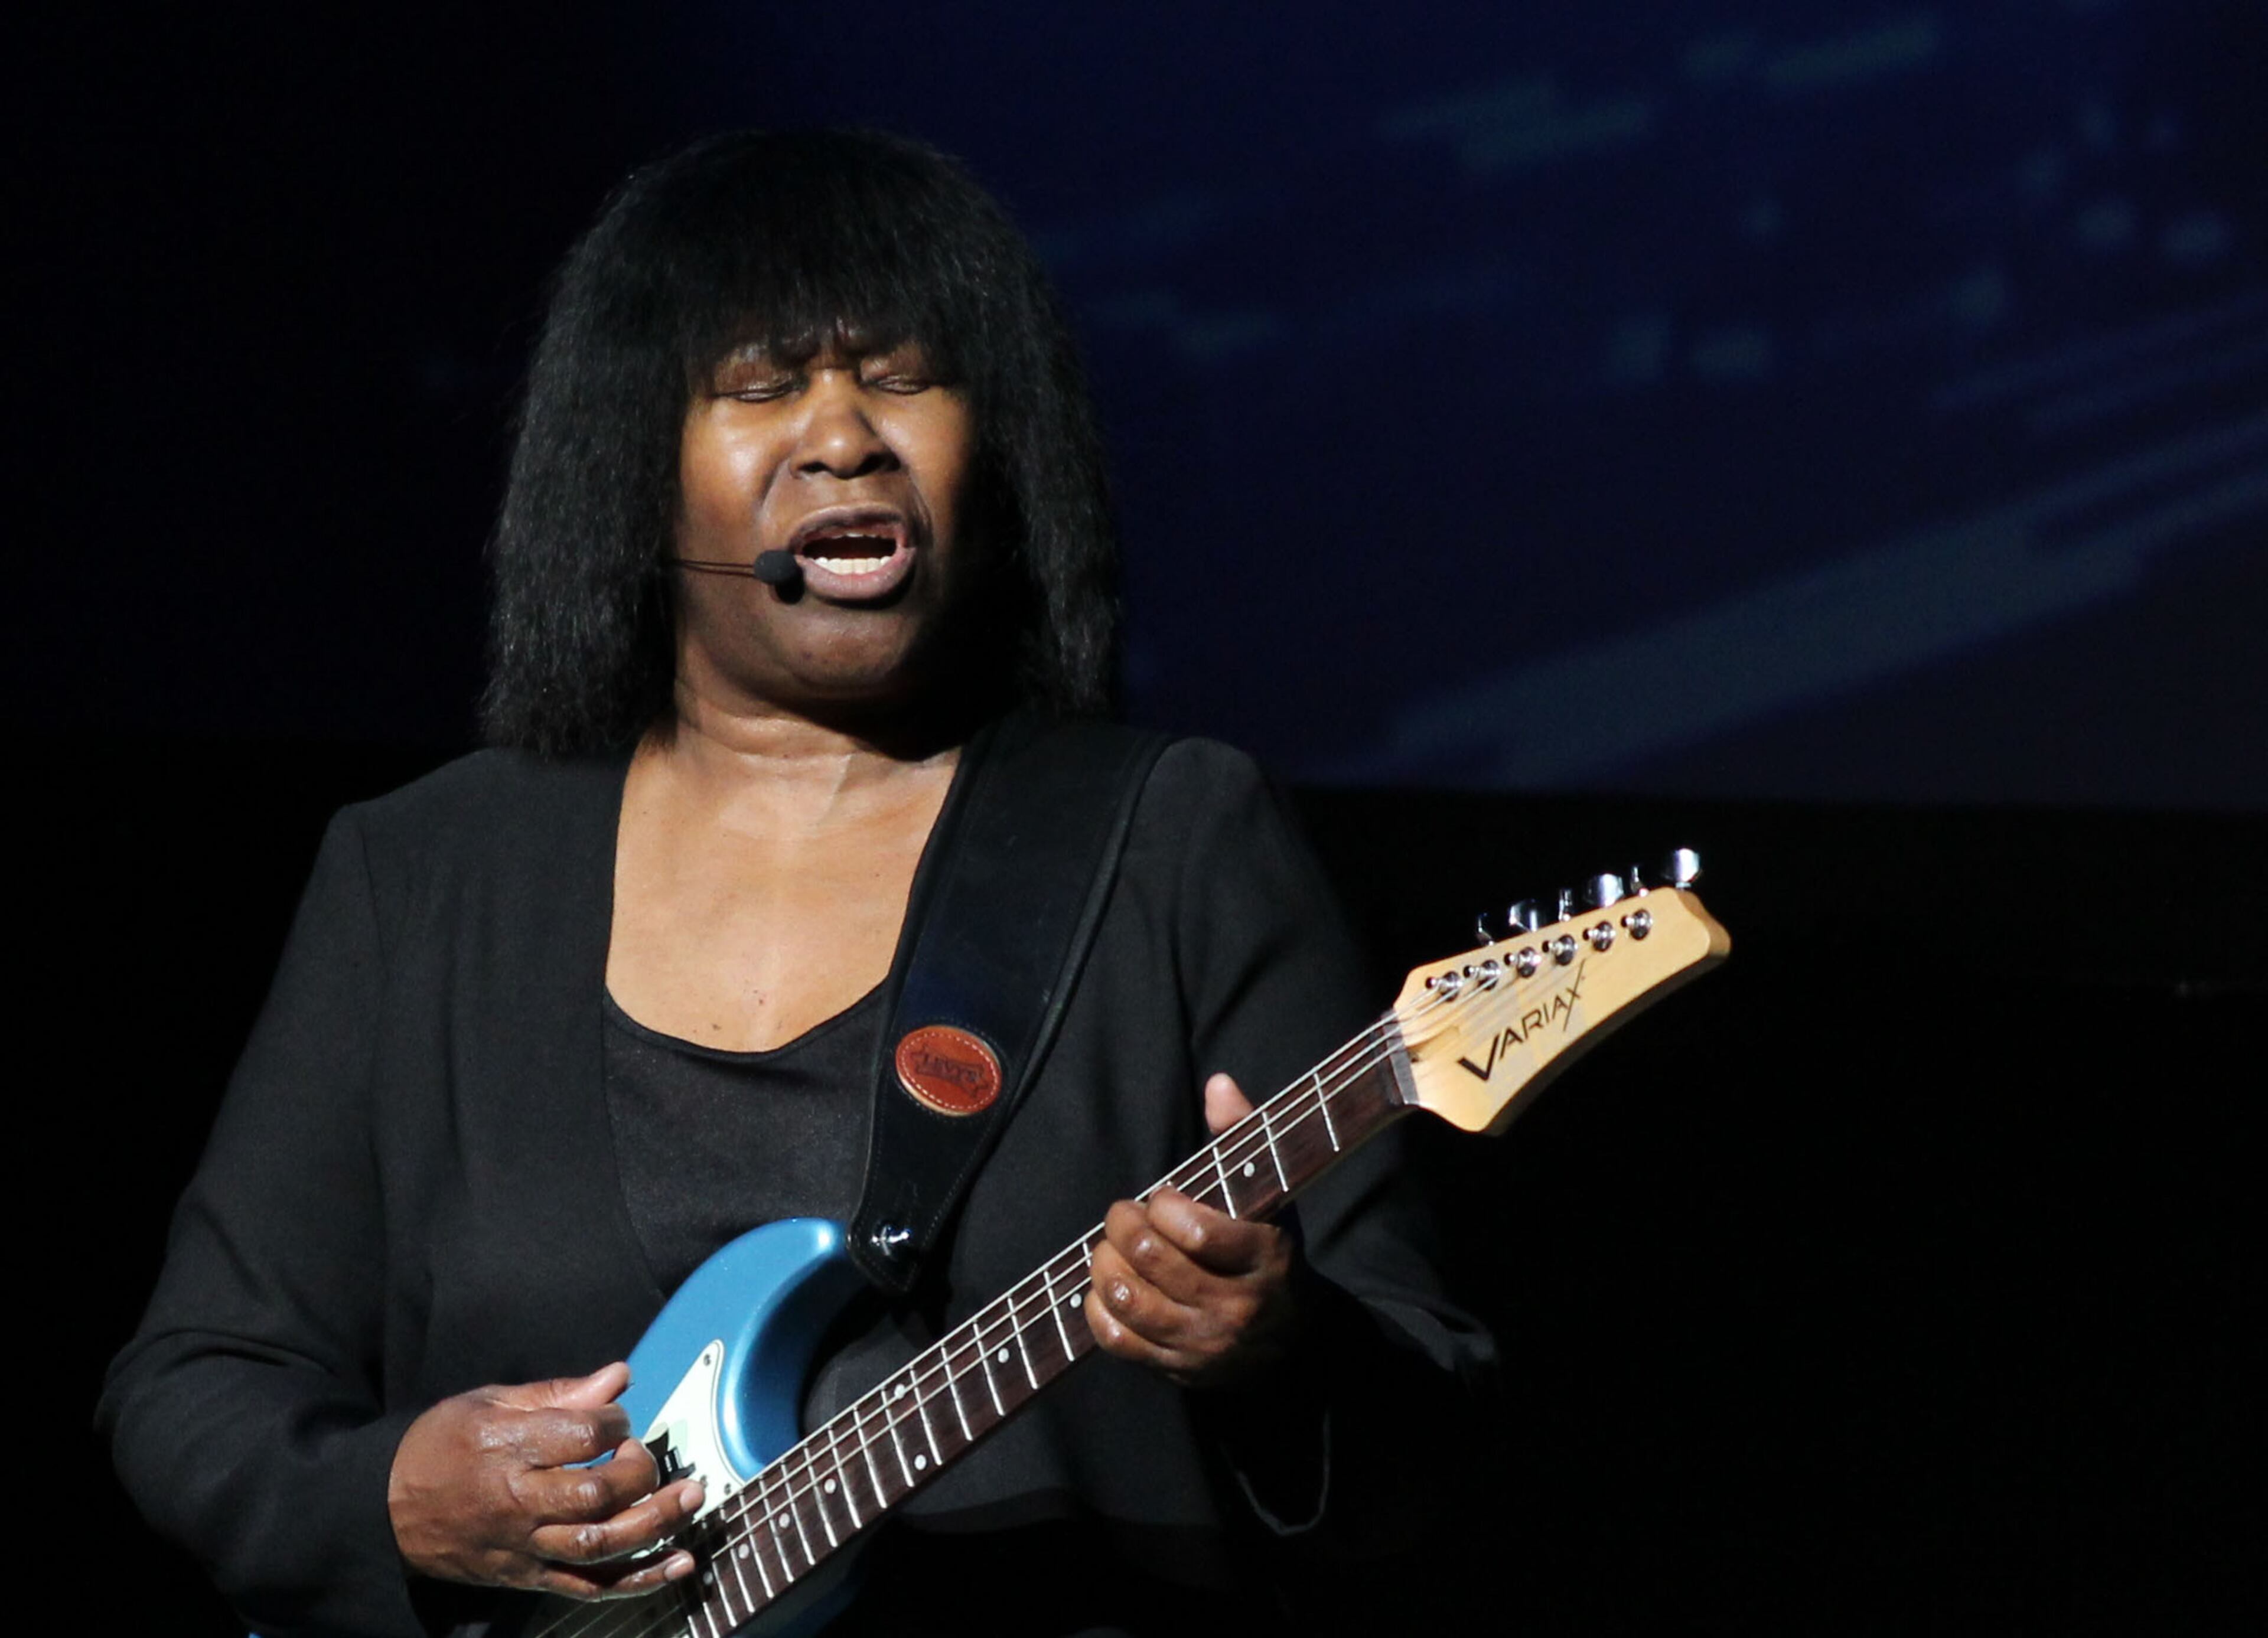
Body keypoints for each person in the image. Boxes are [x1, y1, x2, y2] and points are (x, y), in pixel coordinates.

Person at [100, 130, 1491, 1638]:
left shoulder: (1171, 838)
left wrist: (1276, 1351)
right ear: (635, 471)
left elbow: (1430, 1424)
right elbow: (197, 1382)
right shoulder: (426, 875)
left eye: (903, 378)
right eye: (760, 387)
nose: (844, 438)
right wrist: (391, 1502)